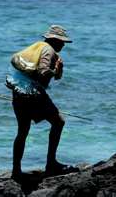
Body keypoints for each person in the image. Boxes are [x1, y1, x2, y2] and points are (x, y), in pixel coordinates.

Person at [6, 25, 77, 182]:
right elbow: (43, 73)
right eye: (62, 42)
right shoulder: (49, 51)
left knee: (22, 131)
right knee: (58, 122)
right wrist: (55, 70)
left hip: (18, 92)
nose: (63, 45)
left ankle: (16, 171)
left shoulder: (37, 46)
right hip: (34, 95)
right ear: (55, 40)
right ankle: (51, 164)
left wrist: (58, 70)